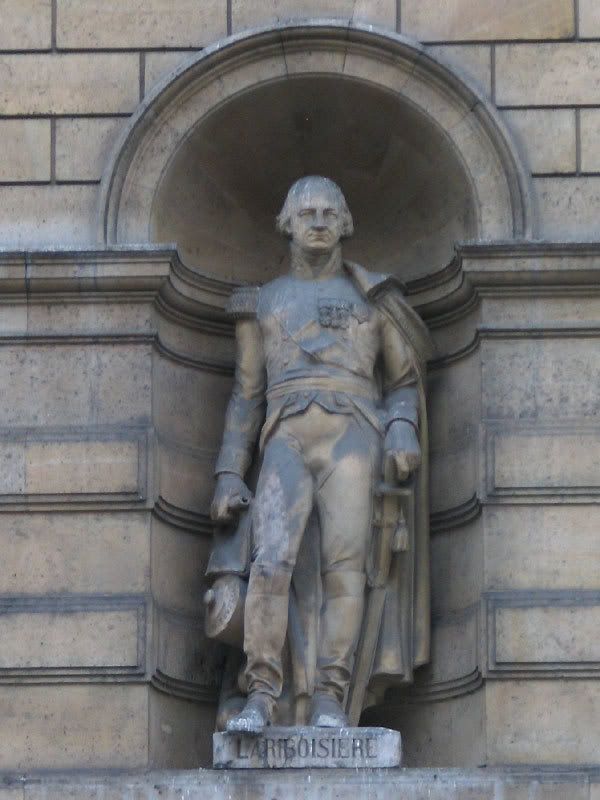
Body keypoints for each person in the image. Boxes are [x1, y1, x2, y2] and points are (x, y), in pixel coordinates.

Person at [210, 176, 431, 733]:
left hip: (355, 438)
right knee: (269, 563)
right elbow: (246, 396)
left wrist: (402, 430)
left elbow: (403, 381)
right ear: (286, 223)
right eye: (306, 212)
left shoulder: (375, 298)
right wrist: (229, 473)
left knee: (346, 568)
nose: (318, 221)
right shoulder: (262, 302)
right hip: (284, 438)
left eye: (329, 213)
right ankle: (262, 692)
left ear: (346, 223)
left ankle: (332, 695)